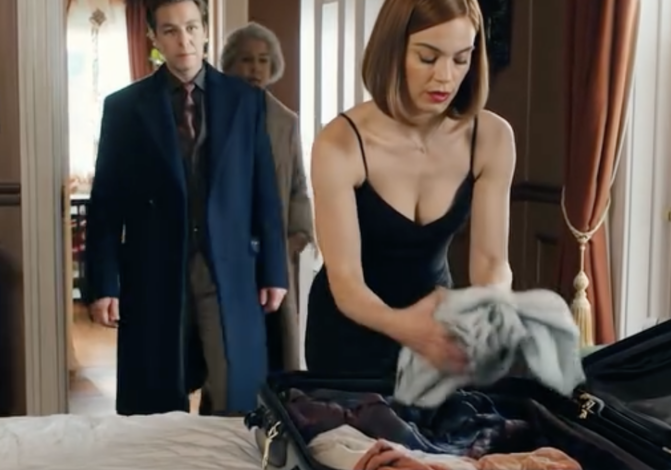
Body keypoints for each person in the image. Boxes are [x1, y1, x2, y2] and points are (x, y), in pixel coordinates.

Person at [85, 0, 288, 415]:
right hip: (153, 269)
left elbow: (264, 192)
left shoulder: (246, 101)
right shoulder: (124, 108)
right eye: (171, 31)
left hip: (229, 268)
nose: (185, 40)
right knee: (155, 399)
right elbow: (105, 203)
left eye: (192, 27)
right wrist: (103, 283)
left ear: (206, 30)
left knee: (237, 393)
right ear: (154, 38)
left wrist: (274, 270)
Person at [305, 0, 515, 379]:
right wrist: (412, 329)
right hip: (350, 337)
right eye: (427, 57)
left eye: (461, 59)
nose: (445, 77)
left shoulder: (492, 138)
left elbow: (491, 263)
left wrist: (491, 306)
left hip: (436, 333)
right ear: (393, 51)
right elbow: (347, 281)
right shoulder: (340, 143)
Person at [221, 22, 314, 372]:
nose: (255, 68)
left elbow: (298, 185)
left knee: (275, 347)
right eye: (246, 60)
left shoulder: (285, 121)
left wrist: (297, 236)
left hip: (273, 251)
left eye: (263, 60)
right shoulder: (210, 115)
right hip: (226, 252)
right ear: (230, 64)